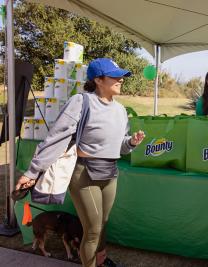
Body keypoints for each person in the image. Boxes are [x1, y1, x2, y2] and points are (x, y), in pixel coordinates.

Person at [15, 58, 146, 267]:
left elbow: (119, 146)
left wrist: (131, 142)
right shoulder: (81, 101)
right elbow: (56, 138)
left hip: (110, 173)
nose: (121, 79)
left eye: (121, 76)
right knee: (93, 230)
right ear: (98, 79)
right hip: (84, 173)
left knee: (102, 225)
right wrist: (32, 172)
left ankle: (101, 261)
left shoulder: (121, 110)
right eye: (115, 76)